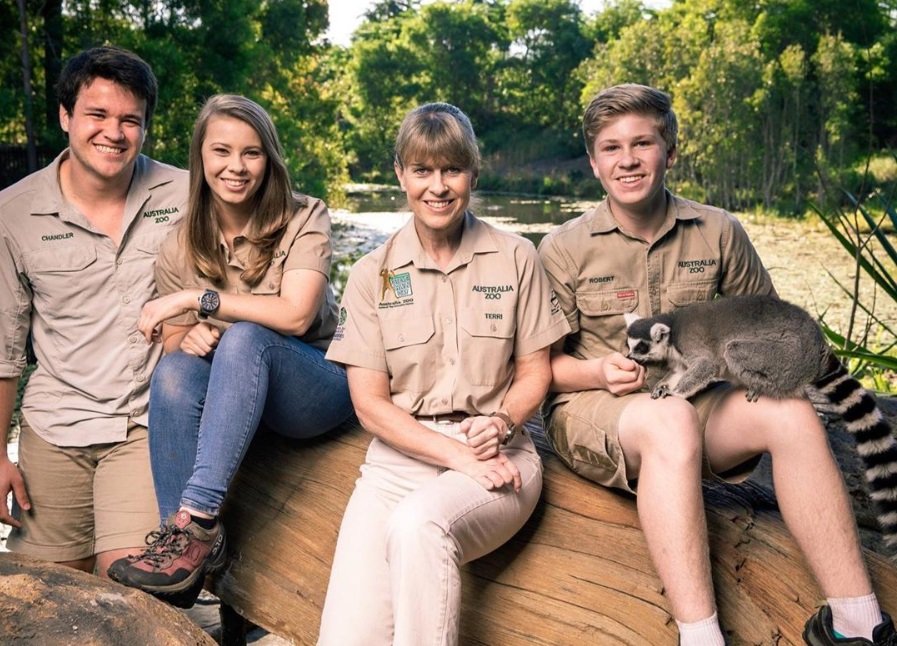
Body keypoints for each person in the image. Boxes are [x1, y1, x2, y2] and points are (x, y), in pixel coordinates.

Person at [537, 83, 896, 645]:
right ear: (593, 161)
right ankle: (701, 636)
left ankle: (860, 623)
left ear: (670, 152)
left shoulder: (719, 231)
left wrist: (817, 376)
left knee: (791, 416)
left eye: (643, 143)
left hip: (699, 403)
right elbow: (542, 370)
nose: (627, 159)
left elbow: (773, 327)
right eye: (611, 148)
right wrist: (597, 372)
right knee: (669, 419)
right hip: (597, 410)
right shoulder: (563, 247)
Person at [316, 102, 570, 645]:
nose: (438, 186)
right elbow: (368, 404)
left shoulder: (517, 256)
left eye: (452, 169)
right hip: (395, 463)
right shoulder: (372, 274)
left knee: (419, 528)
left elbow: (535, 372)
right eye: (423, 170)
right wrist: (452, 455)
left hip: (497, 453)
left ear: (473, 174)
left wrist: (500, 422)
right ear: (400, 175)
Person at [105, 94, 353, 608]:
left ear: (270, 159)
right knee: (174, 369)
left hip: (318, 387)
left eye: (252, 153)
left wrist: (201, 300)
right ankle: (182, 549)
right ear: (200, 158)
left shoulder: (305, 215)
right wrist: (187, 335)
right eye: (221, 151)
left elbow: (297, 315)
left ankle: (197, 519)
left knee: (245, 335)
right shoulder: (181, 241)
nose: (235, 167)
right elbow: (174, 341)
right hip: (234, 390)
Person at [0, 46, 187, 577]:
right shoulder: (12, 214)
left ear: (146, 127)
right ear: (66, 117)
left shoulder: (188, 192)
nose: (114, 132)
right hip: (55, 426)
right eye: (98, 115)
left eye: (131, 119)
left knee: (127, 586)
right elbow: (4, 349)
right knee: (46, 593)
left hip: (145, 423)